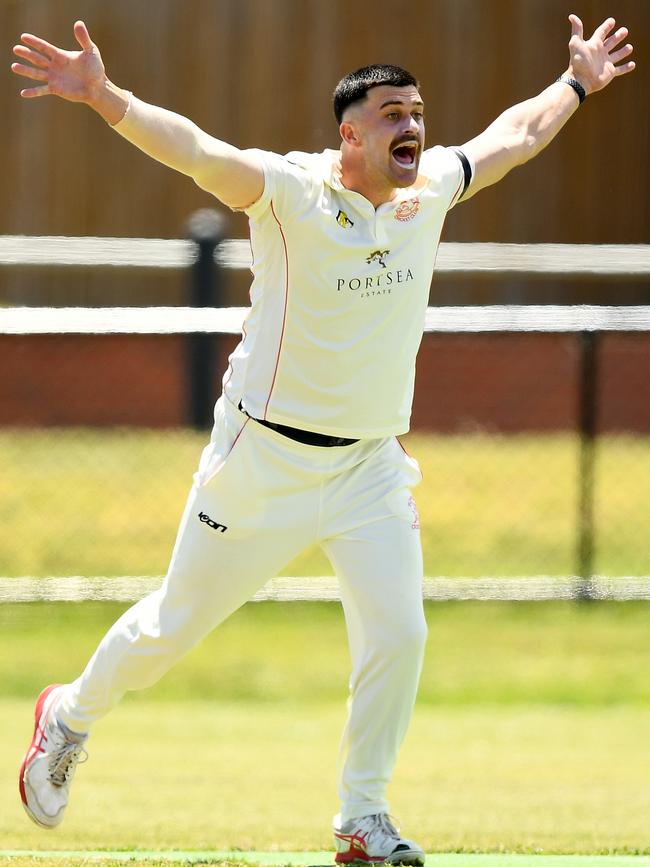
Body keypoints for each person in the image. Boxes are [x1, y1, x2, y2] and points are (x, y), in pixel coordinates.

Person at [12, 14, 634, 864]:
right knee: (172, 627)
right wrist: (105, 96)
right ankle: (69, 715)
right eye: (390, 113)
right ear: (349, 133)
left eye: (417, 110)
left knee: (400, 634)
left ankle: (362, 814)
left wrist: (575, 84)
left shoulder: (429, 192)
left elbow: (514, 136)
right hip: (262, 460)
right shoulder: (291, 191)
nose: (411, 124)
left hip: (369, 468)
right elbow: (197, 149)